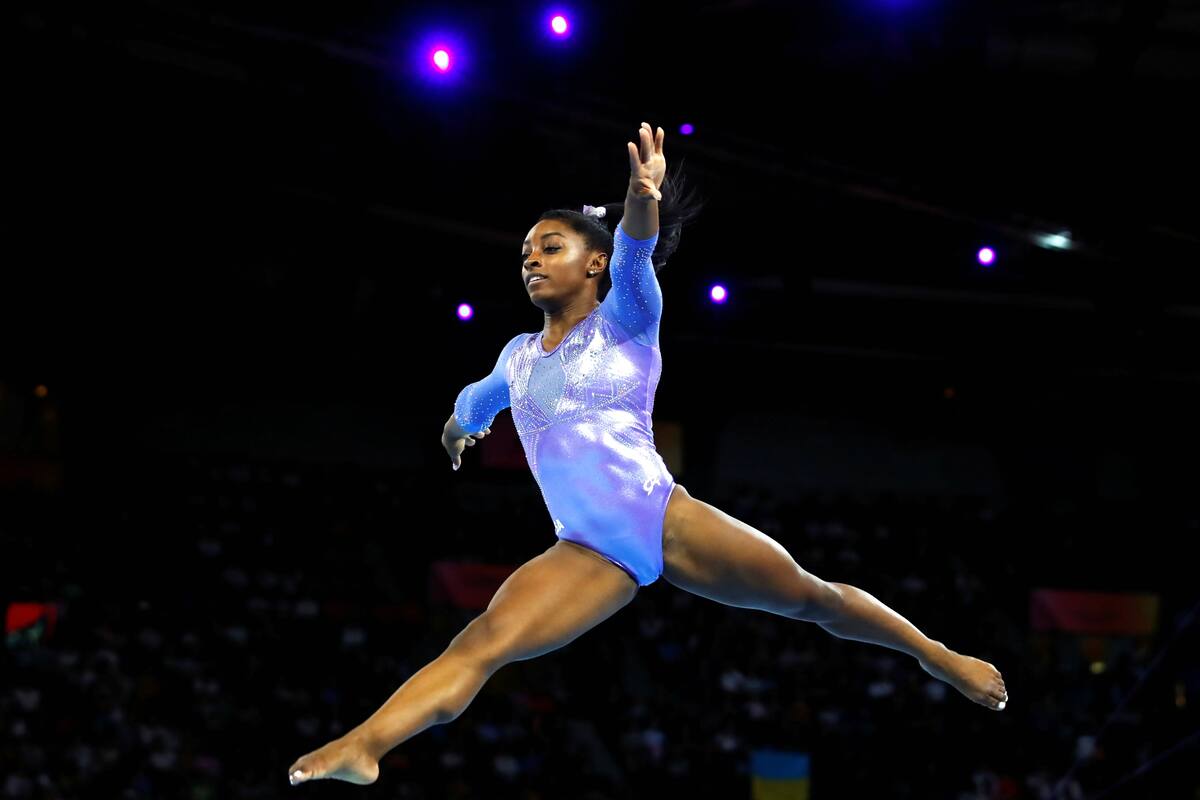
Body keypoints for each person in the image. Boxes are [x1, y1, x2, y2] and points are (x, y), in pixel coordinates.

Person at [287, 122, 1007, 787]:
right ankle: (366, 744)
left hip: (663, 515)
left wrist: (641, 200)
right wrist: (455, 432)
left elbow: (635, 250)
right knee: (480, 642)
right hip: (587, 552)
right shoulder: (516, 356)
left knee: (814, 599)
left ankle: (938, 656)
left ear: (593, 262)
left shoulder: (628, 319)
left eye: (551, 246)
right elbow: (475, 402)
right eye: (526, 252)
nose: (532, 259)